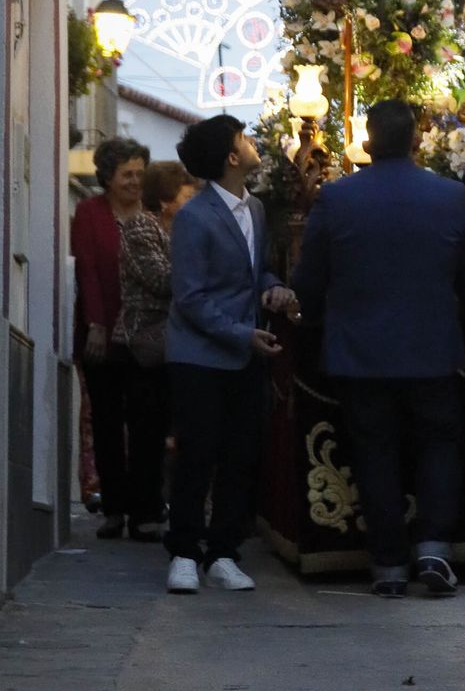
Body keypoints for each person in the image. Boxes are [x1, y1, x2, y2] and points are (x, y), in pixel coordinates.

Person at [291, 96, 465, 598]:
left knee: (374, 453)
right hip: (432, 348)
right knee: (438, 447)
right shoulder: (448, 197)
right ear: (418, 139)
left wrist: (311, 317)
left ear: (368, 141)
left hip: (362, 354)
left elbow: (310, 279)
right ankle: (435, 549)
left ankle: (388, 565)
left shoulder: (336, 199)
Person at [166, 116, 298, 595]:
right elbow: (191, 297)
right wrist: (243, 334)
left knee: (242, 454)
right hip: (200, 355)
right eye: (244, 137)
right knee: (198, 453)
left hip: (245, 353)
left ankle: (223, 552)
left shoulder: (256, 210)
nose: (253, 142)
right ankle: (183, 552)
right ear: (229, 156)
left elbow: (255, 272)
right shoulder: (194, 216)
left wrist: (276, 288)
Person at [71, 136, 163, 539]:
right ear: (107, 177)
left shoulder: (153, 214)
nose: (134, 181)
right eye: (127, 174)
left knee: (148, 423)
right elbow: (87, 269)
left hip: (146, 338)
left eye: (140, 173)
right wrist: (96, 324)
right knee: (107, 422)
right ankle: (114, 509)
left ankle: (145, 512)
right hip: (103, 333)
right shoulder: (89, 213)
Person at [120, 159, 198, 367]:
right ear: (164, 201)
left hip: (175, 334)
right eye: (188, 198)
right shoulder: (141, 226)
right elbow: (160, 280)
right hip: (148, 336)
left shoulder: (183, 230)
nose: (194, 204)